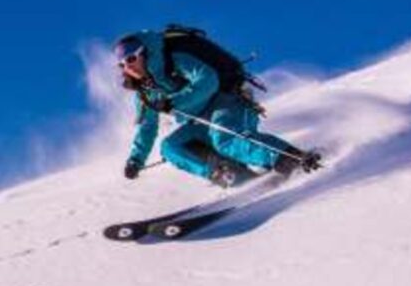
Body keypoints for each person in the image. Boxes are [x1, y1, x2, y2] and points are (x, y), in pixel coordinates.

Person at [116, 26, 321, 188]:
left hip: (229, 99)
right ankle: (238, 179)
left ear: (144, 53)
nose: (129, 66)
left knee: (224, 139)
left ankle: (289, 159)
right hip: (202, 120)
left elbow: (208, 80)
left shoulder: (173, 59)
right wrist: (136, 160)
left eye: (132, 58)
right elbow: (147, 127)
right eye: (122, 64)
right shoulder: (146, 91)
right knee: (171, 147)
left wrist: (173, 102)